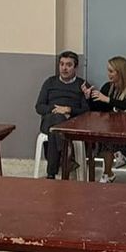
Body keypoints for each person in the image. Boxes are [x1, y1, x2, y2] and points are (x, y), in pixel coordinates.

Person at [86, 55, 126, 182]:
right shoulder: (107, 87)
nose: (108, 74)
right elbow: (99, 109)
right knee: (106, 139)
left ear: (120, 72)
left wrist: (108, 99)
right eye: (108, 70)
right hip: (112, 129)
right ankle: (107, 174)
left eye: (111, 71)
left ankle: (118, 159)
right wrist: (89, 98)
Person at [35, 51, 92, 179]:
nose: (64, 68)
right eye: (61, 64)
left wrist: (69, 110)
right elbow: (39, 107)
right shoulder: (50, 82)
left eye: (68, 65)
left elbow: (86, 111)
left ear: (75, 67)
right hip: (49, 120)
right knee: (57, 120)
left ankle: (51, 173)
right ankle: (67, 156)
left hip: (71, 123)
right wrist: (55, 109)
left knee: (55, 130)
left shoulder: (82, 85)